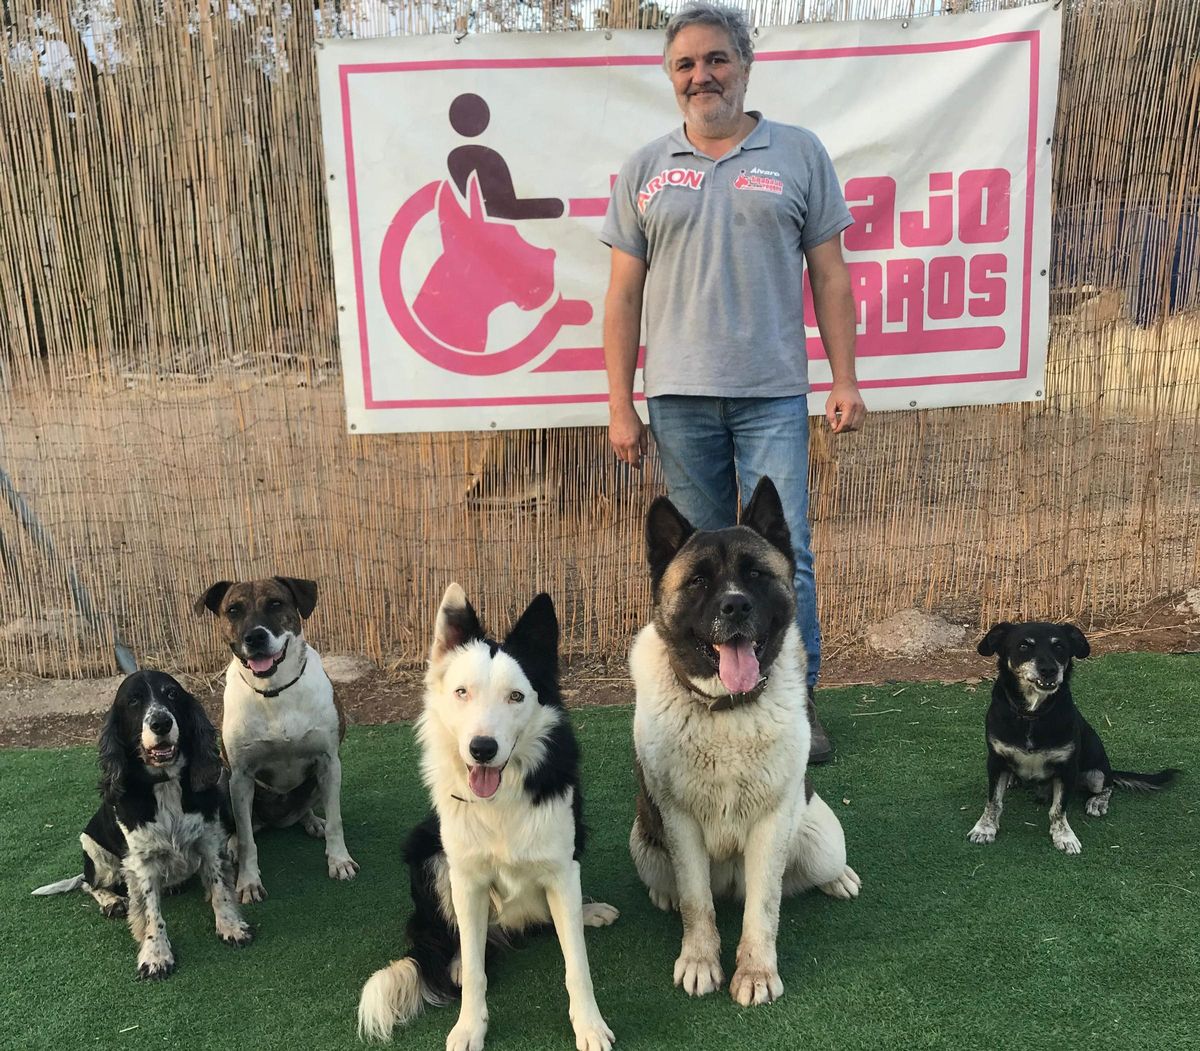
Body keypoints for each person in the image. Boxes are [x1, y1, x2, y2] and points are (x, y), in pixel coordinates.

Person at [601, 0, 866, 762]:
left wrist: (843, 377)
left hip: (773, 392)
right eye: (685, 64)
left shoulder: (799, 153)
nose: (701, 75)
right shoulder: (646, 170)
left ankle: (796, 704)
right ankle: (707, 703)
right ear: (670, 77)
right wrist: (621, 403)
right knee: (699, 568)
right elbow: (621, 296)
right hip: (678, 400)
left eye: (715, 59)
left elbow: (830, 274)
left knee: (789, 557)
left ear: (744, 66)